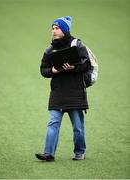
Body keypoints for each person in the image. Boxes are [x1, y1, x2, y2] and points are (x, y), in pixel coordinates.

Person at [35, 16, 90, 161]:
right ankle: (49, 154)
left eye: (57, 28)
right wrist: (53, 70)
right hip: (58, 93)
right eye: (53, 28)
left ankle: (80, 152)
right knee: (53, 122)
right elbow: (43, 70)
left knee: (78, 126)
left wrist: (74, 67)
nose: (54, 31)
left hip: (75, 92)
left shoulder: (77, 44)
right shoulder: (50, 49)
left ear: (65, 30)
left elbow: (86, 65)